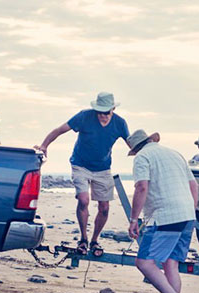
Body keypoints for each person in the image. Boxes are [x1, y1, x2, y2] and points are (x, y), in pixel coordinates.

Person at [35, 91, 130, 257]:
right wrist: (44, 146)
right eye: (100, 112)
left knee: (105, 208)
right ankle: (83, 239)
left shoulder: (120, 123)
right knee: (83, 199)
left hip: (103, 168)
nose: (103, 116)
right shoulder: (84, 116)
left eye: (106, 112)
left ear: (113, 109)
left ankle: (94, 240)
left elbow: (132, 145)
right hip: (80, 164)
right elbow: (59, 130)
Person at [127, 129, 198, 293]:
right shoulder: (175, 154)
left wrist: (134, 219)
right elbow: (194, 187)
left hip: (165, 217)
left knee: (144, 262)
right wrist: (188, 211)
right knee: (170, 265)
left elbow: (141, 187)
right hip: (187, 215)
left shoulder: (142, 157)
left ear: (136, 148)